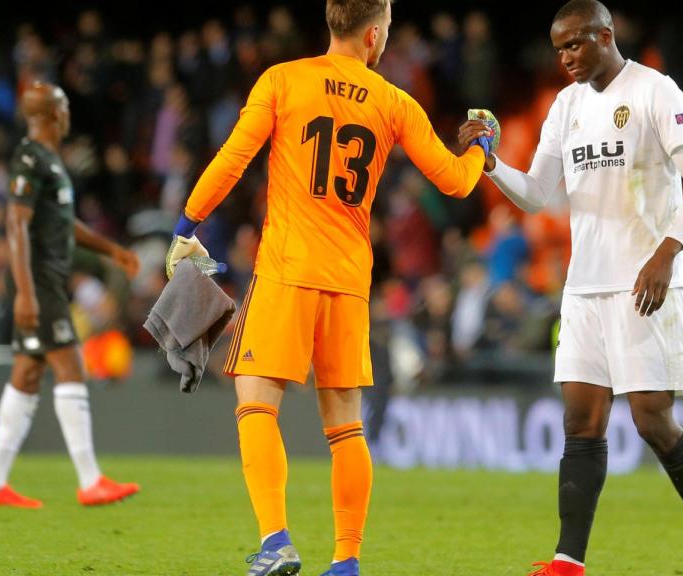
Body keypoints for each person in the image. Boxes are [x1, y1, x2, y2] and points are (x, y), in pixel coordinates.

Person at [165, 1, 489, 574]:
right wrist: (481, 145)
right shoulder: (394, 101)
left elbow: (233, 160)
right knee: (346, 425)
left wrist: (187, 226)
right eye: (387, 30)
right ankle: (346, 560)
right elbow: (456, 182)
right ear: (372, 33)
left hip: (287, 269)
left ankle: (275, 541)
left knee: (257, 402)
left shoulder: (284, 80)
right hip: (348, 281)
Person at [461, 1, 683, 574]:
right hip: (585, 287)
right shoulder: (566, 105)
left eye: (575, 45)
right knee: (580, 423)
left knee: (652, 420)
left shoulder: (656, 92)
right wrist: (489, 163)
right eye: (558, 48)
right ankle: (569, 561)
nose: (565, 57)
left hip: (646, 282)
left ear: (606, 35)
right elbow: (538, 192)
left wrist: (667, 253)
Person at [0, 81, 141, 509]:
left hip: (45, 278)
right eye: (63, 108)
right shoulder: (30, 157)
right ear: (50, 114)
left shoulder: (49, 161)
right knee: (70, 364)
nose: (68, 116)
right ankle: (90, 480)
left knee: (28, 375)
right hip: (38, 280)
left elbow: (64, 224)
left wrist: (111, 250)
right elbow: (16, 224)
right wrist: (25, 293)